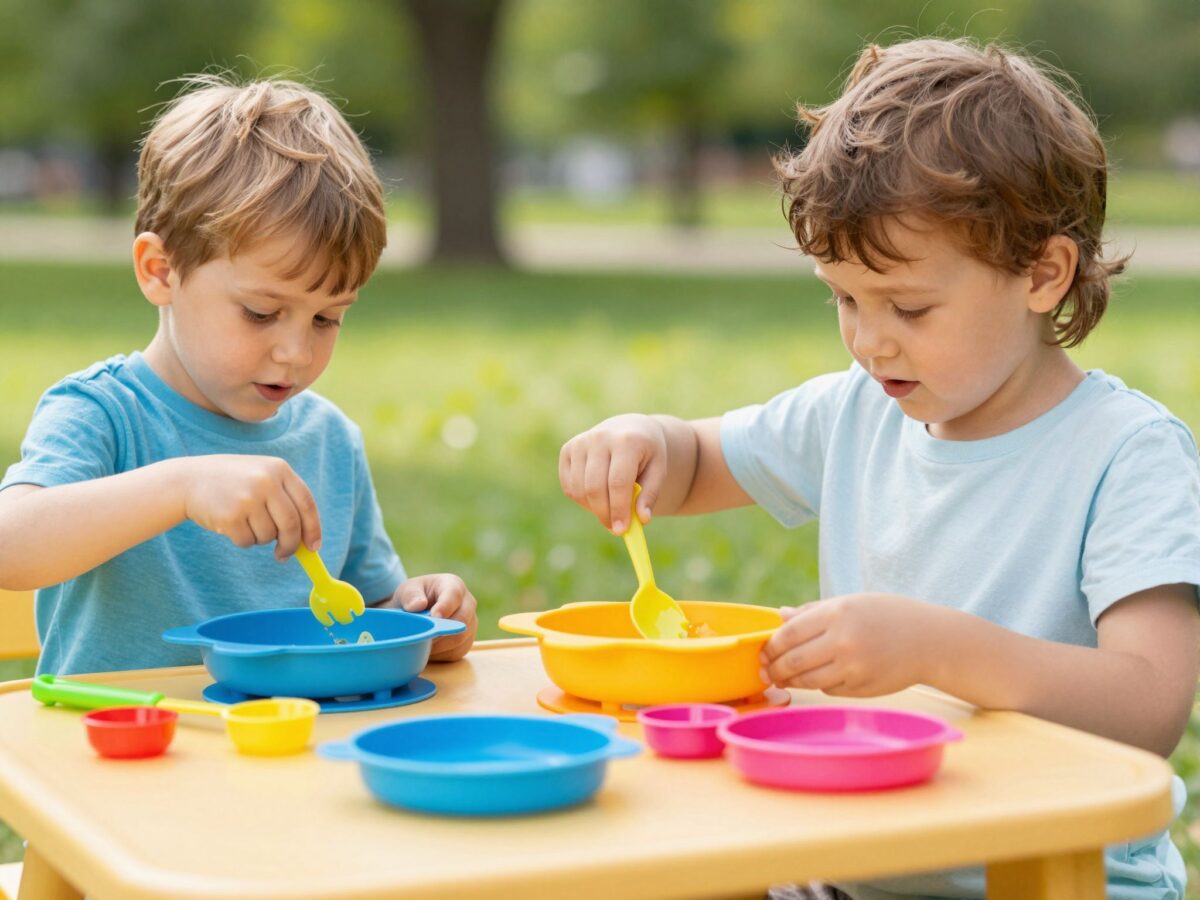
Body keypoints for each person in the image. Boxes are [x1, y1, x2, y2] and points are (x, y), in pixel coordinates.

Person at [559, 38, 1200, 900]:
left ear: (1044, 274)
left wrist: (933, 648)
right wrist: (644, 443)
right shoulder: (858, 411)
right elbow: (698, 461)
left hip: (1050, 873)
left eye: (908, 305)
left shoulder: (1127, 454)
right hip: (859, 867)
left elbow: (1148, 705)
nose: (868, 340)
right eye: (843, 298)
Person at [0, 75, 477, 676]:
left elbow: (365, 608)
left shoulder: (329, 439)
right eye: (261, 313)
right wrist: (180, 488)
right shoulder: (102, 413)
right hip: (126, 756)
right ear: (160, 271)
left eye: (327, 318)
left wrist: (419, 616)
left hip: (284, 751)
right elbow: (10, 547)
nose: (295, 353)